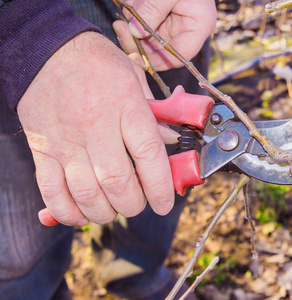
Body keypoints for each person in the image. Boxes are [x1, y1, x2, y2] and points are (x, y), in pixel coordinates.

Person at [0, 0, 216, 299]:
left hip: (148, 29)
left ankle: (137, 277)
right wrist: (29, 32)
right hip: (18, 53)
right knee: (19, 251)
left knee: (155, 181)